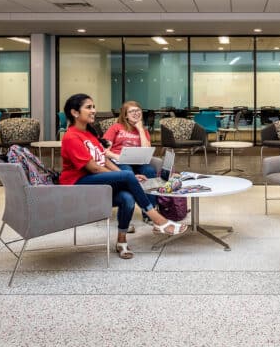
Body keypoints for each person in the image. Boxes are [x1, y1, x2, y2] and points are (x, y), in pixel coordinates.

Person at [59, 93, 186, 259]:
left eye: (93, 106)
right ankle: (158, 219)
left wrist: (124, 176)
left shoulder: (89, 134)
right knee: (127, 176)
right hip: (78, 184)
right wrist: (125, 176)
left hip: (94, 181)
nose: (94, 111)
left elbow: (103, 159)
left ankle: (122, 241)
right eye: (88, 107)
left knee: (127, 198)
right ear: (75, 113)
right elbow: (94, 168)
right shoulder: (71, 136)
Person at [103, 101, 157, 178]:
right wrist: (117, 157)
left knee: (150, 171)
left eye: (138, 110)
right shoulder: (116, 127)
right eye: (131, 111)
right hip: (119, 160)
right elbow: (104, 150)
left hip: (138, 161)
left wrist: (140, 129)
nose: (136, 113)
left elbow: (146, 151)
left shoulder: (144, 131)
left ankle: (149, 190)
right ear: (125, 116)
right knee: (127, 171)